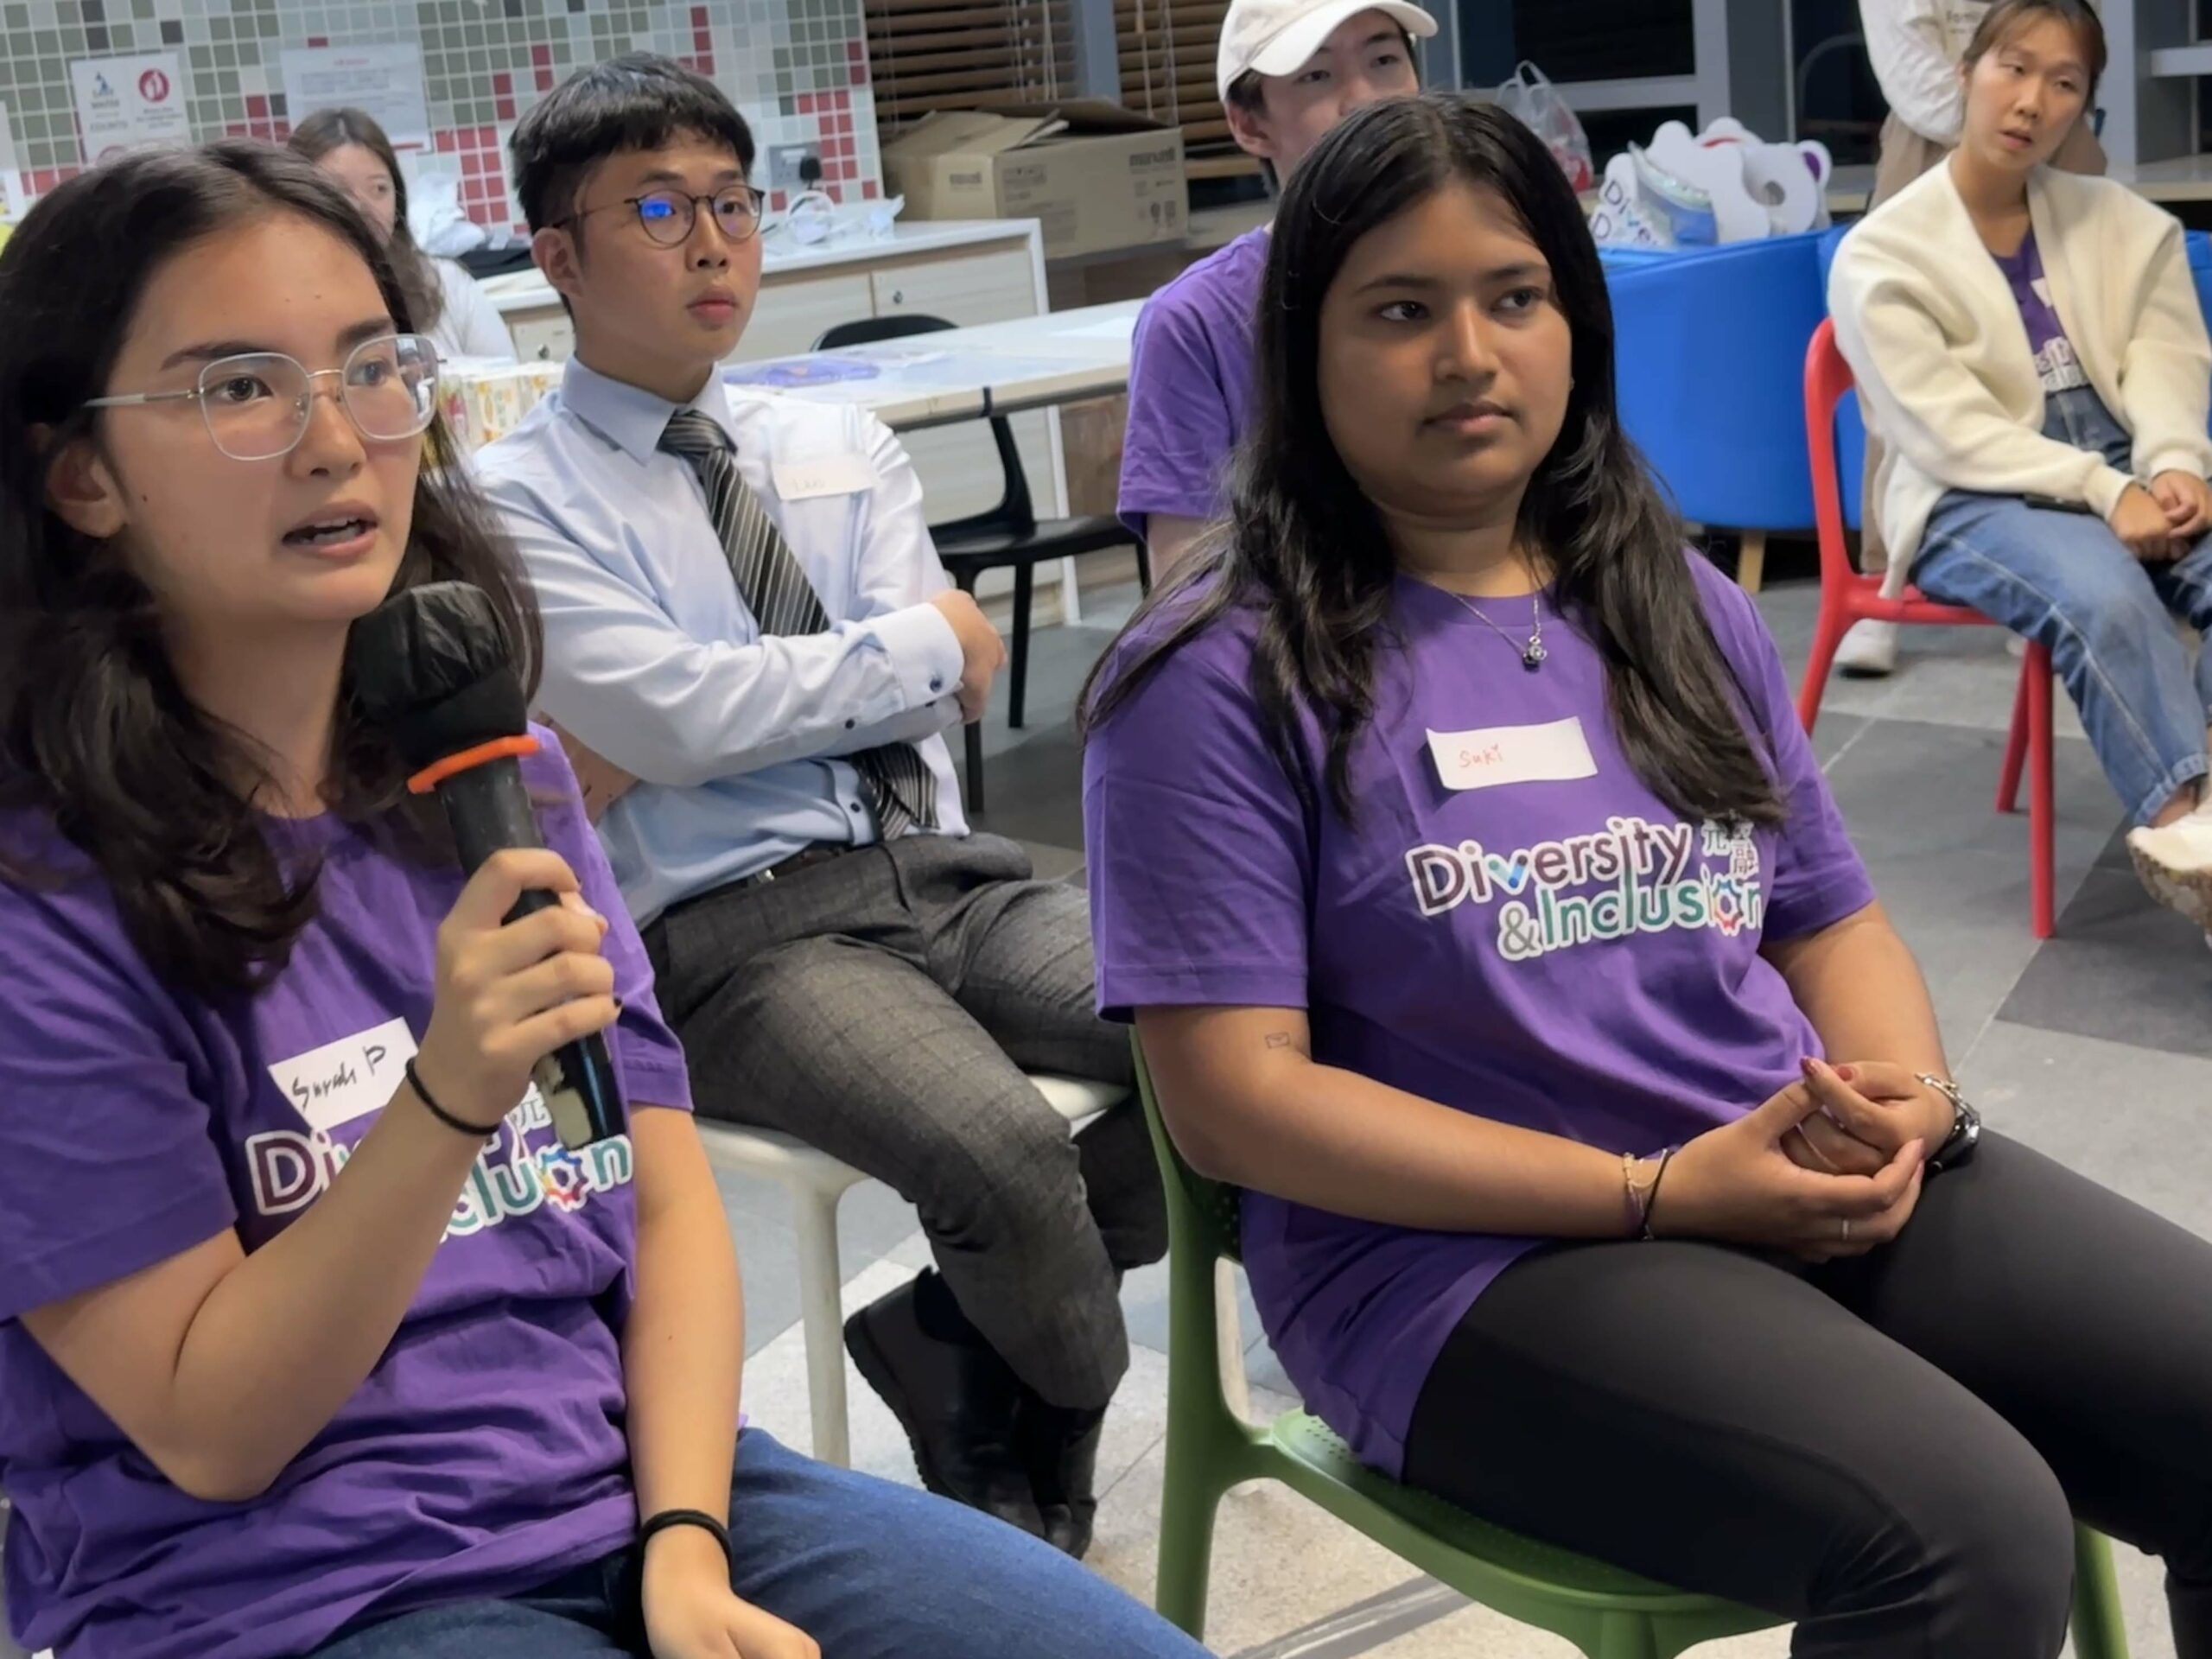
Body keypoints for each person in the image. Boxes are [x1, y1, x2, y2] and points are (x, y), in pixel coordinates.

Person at [0, 141, 1211, 1659]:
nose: (335, 439)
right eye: (238, 387)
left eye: (372, 367)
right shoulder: (44, 905)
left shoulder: (490, 775)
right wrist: (447, 1097)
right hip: (294, 1592)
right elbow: (209, 1432)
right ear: (82, 475)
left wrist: (689, 1545)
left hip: (642, 1494)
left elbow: (663, 1199)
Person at [1084, 91, 2212, 1657]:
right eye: (1401, 311)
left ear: (1575, 323)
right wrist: (1656, 1193)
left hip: (1776, 1164)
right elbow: (1234, 1103)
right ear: (1302, 353)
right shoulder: (1216, 671)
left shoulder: (1664, 595)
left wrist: (1898, 1101)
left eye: (1515, 298)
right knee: (1968, 1533)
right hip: (1462, 1271)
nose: (1470, 356)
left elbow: (1826, 911)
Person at [474, 56, 1165, 1560]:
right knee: (997, 1155)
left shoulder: (830, 442)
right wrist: (897, 653)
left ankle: (951, 1348)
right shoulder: (509, 498)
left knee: (1221, 1041)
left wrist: (703, 712)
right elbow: (702, 704)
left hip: (942, 870)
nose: (713, 240)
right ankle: (1040, 1433)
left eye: (732, 202)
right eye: (659, 208)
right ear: (558, 256)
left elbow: (777, 703)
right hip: (736, 938)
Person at [1833, 0, 2212, 931]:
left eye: (2064, 82)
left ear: (2082, 103)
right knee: (2105, 595)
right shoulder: (1882, 250)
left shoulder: (2126, 224)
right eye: (2012, 68)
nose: (2030, 100)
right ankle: (2197, 855)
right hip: (1969, 489)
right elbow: (1947, 431)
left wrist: (2168, 462)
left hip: (2119, 452)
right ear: (1965, 74)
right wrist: (2102, 487)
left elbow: (2164, 360)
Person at [1116, 0, 1430, 575]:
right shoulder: (1196, 324)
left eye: (1384, 59)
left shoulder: (1488, 274)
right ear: (1249, 123)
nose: (1364, 99)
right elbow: (1186, 595)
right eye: (1317, 75)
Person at [1841, 0, 2104, 677]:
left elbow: (2074, 34)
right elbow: (1918, 84)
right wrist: (2008, 115)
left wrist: (2038, 104)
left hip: (2053, 144)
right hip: (1933, 151)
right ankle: (1883, 583)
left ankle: (2056, 573)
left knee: (2066, 354)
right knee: (1903, 372)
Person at [293, 106, 518, 365]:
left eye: (379, 189)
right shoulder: (278, 298)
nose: (361, 208)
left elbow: (505, 377)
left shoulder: (441, 282)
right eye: (338, 191)